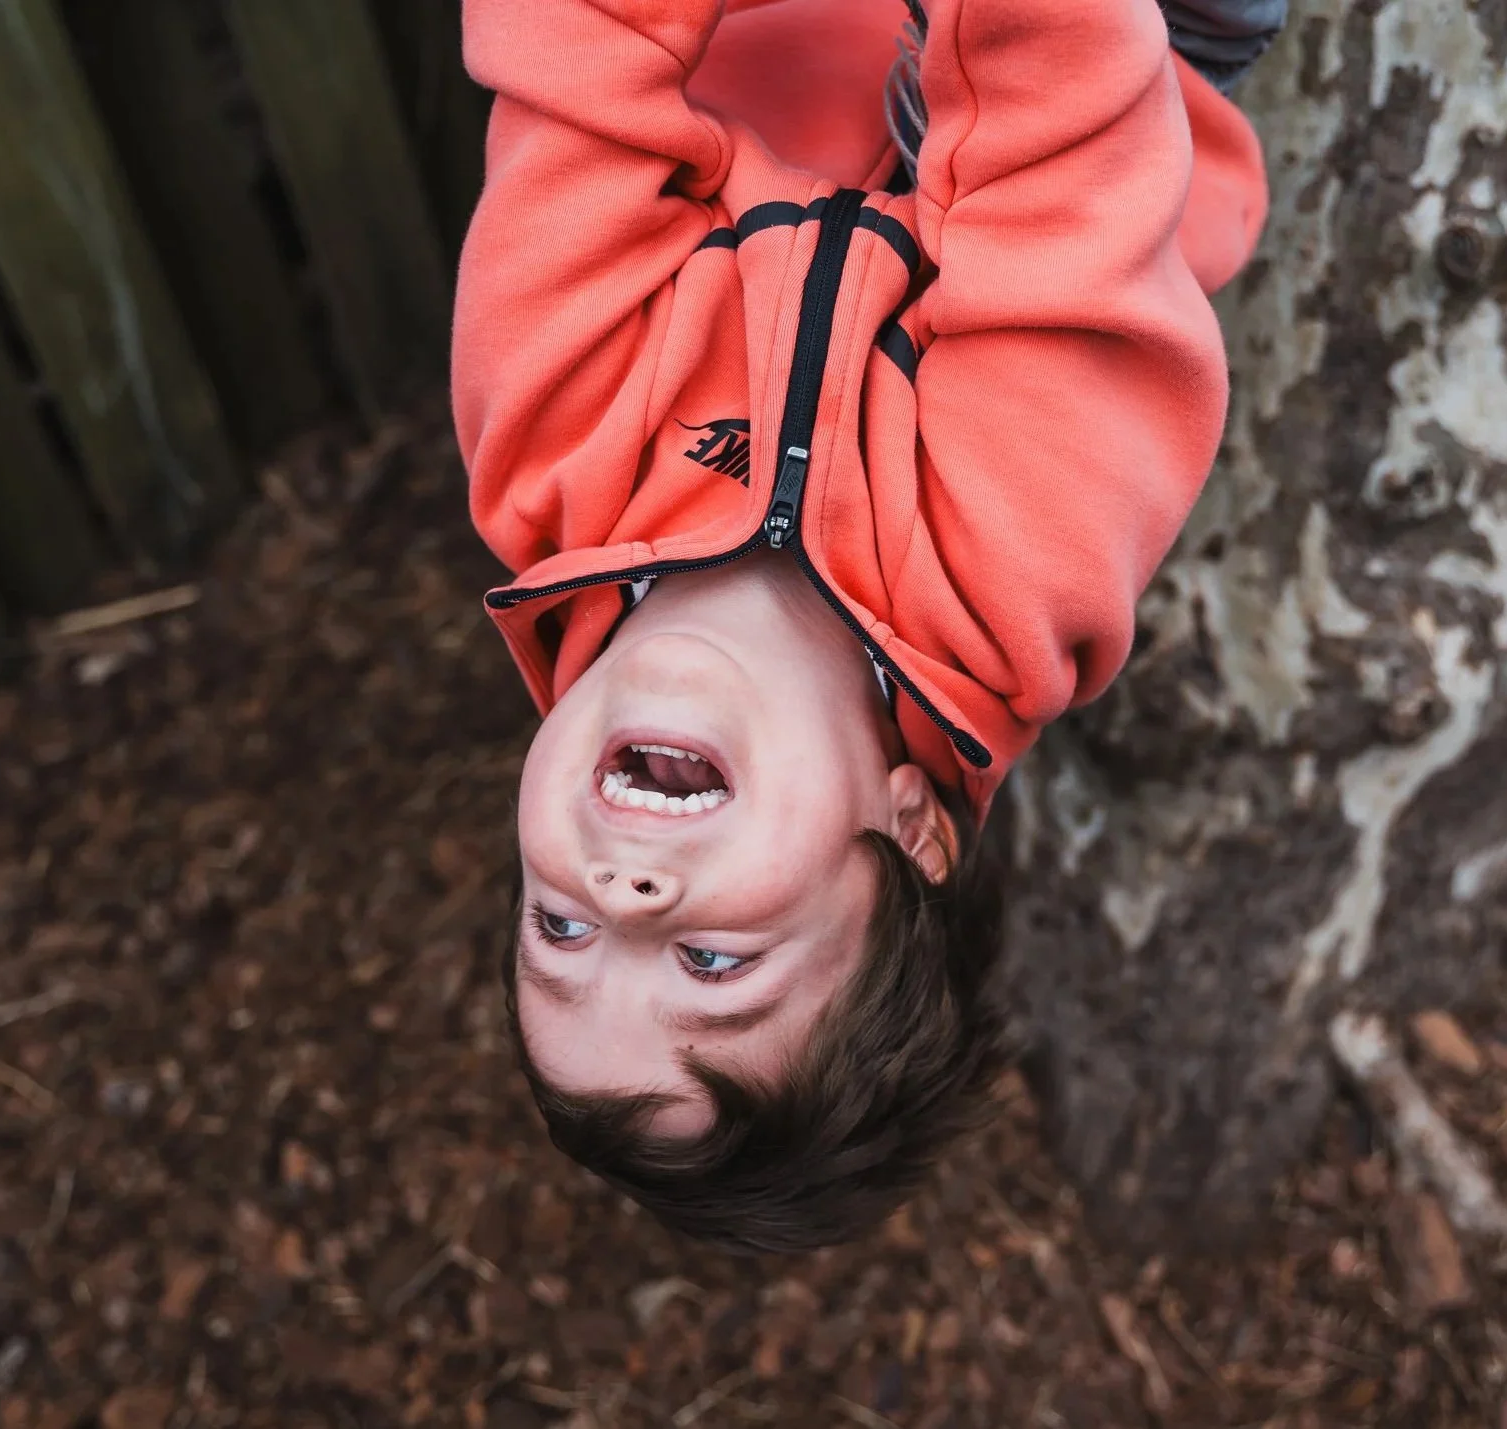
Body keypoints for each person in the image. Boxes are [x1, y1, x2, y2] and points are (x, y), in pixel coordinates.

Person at [452, 0, 1281, 1253]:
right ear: (907, 837)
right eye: (712, 964)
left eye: (559, 931)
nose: (623, 893)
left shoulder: (545, 449)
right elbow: (1054, 139)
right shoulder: (1013, 569)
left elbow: (578, 65)